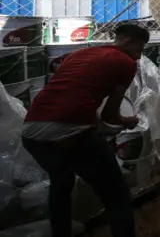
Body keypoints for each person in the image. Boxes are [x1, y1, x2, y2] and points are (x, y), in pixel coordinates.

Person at [21, 24, 150, 237]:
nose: (138, 57)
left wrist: (97, 124)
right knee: (116, 195)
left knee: (61, 183)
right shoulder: (125, 63)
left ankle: (60, 233)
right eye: (139, 49)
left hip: (32, 131)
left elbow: (70, 95)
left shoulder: (79, 54)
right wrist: (127, 121)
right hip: (70, 132)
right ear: (127, 41)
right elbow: (110, 115)